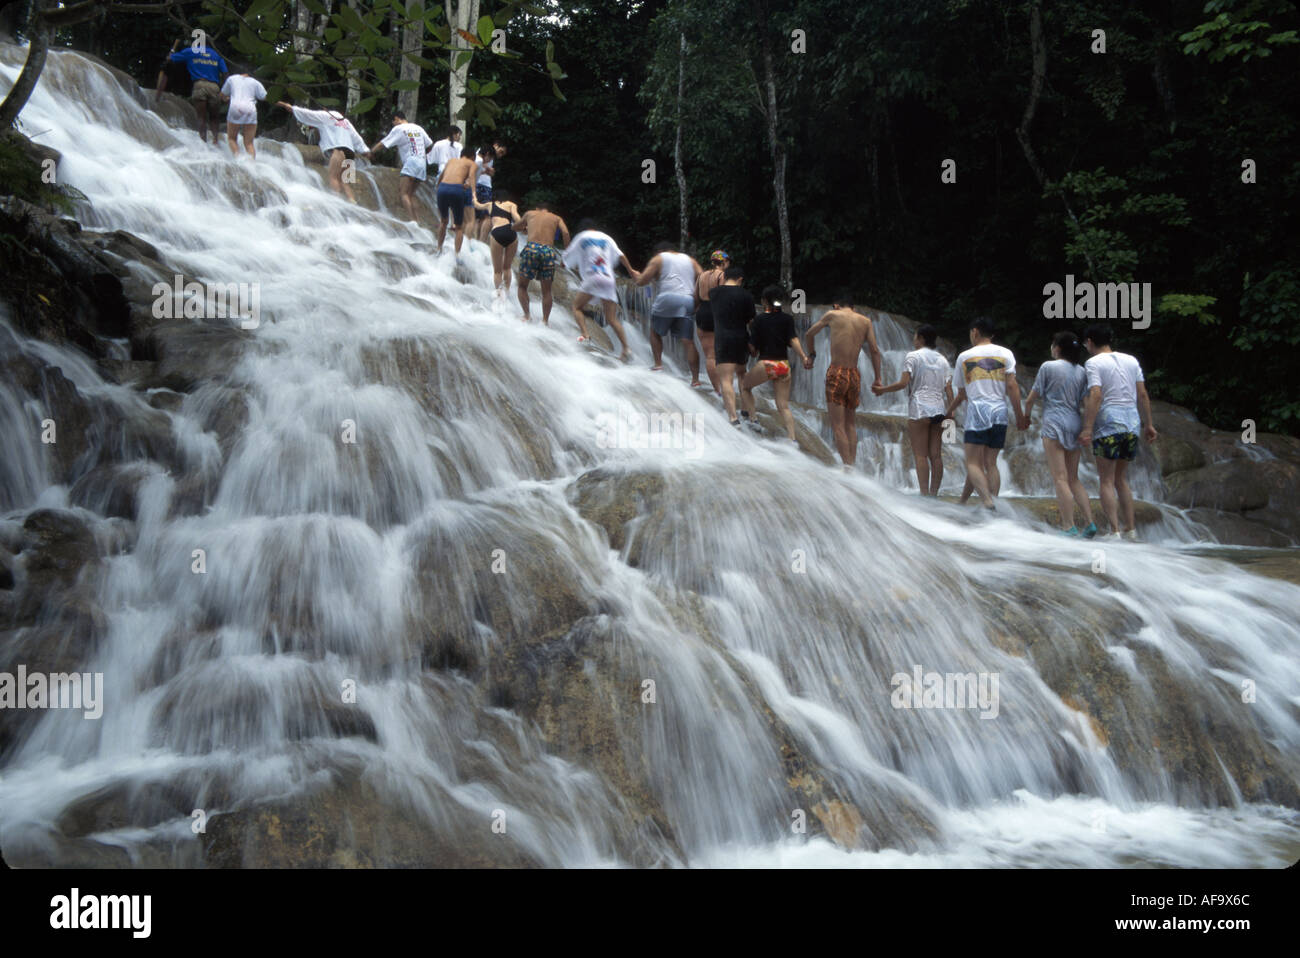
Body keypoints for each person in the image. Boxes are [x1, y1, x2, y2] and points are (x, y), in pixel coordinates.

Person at [1078, 324, 1158, 540]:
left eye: (1086, 342)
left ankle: (1114, 531)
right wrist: (1148, 424)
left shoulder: (1093, 363)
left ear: (1090, 342)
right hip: (1131, 424)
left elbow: (1096, 394)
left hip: (1108, 424)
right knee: (1120, 479)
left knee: (1105, 480)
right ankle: (1130, 529)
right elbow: (1142, 394)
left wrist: (1087, 427)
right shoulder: (1131, 360)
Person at [944, 317, 1027, 509]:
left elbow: (962, 394)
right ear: (993, 334)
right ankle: (981, 503)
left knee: (972, 463)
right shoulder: (1006, 354)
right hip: (1000, 411)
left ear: (975, 332)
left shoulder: (965, 357)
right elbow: (1012, 386)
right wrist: (1020, 415)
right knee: (990, 463)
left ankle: (987, 502)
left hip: (978, 411)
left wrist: (949, 411)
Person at [1023, 331, 1097, 537]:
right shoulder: (1082, 371)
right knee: (1074, 478)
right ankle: (1090, 523)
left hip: (1054, 423)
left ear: (1057, 348)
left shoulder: (1048, 367)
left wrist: (1026, 417)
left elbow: (1030, 399)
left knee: (1060, 478)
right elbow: (1086, 401)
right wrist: (1086, 428)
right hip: (1074, 422)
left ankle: (1068, 526)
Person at [801, 291, 884, 468]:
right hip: (854, 374)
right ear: (853, 307)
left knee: (838, 426)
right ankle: (852, 466)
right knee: (851, 424)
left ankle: (847, 470)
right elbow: (875, 351)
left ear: (837, 305)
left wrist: (812, 354)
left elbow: (809, 334)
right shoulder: (865, 321)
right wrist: (877, 378)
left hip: (837, 373)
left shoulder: (832, 314)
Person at [873, 323, 952, 495]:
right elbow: (948, 388)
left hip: (920, 409)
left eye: (915, 337)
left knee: (921, 455)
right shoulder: (942, 360)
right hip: (939, 409)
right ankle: (933, 494)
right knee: (936, 455)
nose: (914, 340)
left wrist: (882, 389)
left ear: (921, 338)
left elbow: (903, 384)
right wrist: (951, 412)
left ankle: (924, 495)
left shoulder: (913, 356)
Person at [562, 220, 638, 361]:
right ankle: (626, 348)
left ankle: (585, 335)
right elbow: (621, 255)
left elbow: (567, 255)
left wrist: (563, 263)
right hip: (609, 279)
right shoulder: (607, 238)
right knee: (612, 318)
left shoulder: (582, 236)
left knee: (576, 307)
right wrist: (631, 271)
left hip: (594, 277)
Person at [741, 287, 810, 442]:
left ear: (765, 301)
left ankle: (753, 420)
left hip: (767, 363)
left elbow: (753, 348)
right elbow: (793, 340)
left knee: (745, 386)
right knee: (783, 405)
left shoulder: (759, 320)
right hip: (783, 366)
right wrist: (804, 357)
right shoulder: (787, 319)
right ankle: (792, 439)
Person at [275, 102, 369, 203]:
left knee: (333, 177)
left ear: (325, 109)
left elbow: (307, 114)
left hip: (339, 151)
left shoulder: (326, 116)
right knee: (345, 182)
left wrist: (287, 106)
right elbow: (356, 137)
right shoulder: (344, 121)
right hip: (350, 153)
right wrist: (366, 150)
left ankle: (337, 202)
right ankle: (352, 202)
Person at [636, 241, 702, 384]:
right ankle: (696, 379)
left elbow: (642, 281)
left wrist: (637, 276)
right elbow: (702, 278)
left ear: (659, 251)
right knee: (688, 341)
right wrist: (697, 300)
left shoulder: (659, 258)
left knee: (655, 331)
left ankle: (658, 365)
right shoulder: (690, 260)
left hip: (667, 297)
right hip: (687, 299)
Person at [709, 264, 757, 426]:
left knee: (726, 379)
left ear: (725, 276)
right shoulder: (747, 296)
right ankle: (746, 411)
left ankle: (733, 418)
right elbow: (751, 322)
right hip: (741, 338)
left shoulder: (713, 293)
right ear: (740, 279)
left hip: (723, 339)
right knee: (742, 374)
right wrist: (753, 343)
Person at [370, 112, 433, 226]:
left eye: (393, 122)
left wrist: (371, 152)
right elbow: (429, 144)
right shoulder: (418, 128)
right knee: (411, 194)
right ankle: (417, 221)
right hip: (422, 163)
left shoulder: (399, 129)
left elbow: (383, 144)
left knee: (403, 193)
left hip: (411, 162)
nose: (393, 125)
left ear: (397, 119)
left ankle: (412, 221)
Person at [512, 203, 570, 325]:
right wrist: (566, 255)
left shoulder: (530, 213)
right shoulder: (556, 218)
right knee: (547, 291)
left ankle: (527, 316)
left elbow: (516, 227)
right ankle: (545, 321)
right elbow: (565, 233)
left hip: (531, 249)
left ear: (537, 208)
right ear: (548, 210)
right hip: (547, 251)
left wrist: (524, 228)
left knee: (522, 286)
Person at [167, 38, 229, 145]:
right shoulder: (216, 55)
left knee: (201, 117)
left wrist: (172, 50)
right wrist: (226, 92)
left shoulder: (191, 51)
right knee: (214, 117)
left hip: (199, 85)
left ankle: (203, 142)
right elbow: (225, 74)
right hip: (214, 87)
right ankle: (215, 140)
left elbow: (170, 59)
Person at [694, 250, 729, 394]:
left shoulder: (701, 275)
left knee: (709, 355)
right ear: (724, 262)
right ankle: (721, 389)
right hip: (715, 312)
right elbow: (723, 297)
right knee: (716, 355)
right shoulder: (722, 275)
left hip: (702, 311)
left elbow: (695, 297)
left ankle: (717, 389)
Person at [433, 150, 480, 255]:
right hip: (456, 189)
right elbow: (472, 177)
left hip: (442, 188)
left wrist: (438, 188)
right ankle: (456, 255)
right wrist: (473, 194)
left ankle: (438, 249)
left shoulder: (451, 161)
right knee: (459, 226)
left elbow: (441, 176)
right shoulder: (472, 163)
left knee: (443, 221)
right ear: (472, 157)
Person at [476, 188, 522, 294]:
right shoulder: (511, 204)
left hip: (497, 232)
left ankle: (499, 295)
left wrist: (473, 195)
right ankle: (507, 291)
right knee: (507, 268)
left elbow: (477, 205)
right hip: (511, 233)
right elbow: (516, 217)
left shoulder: (490, 204)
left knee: (497, 271)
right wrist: (523, 226)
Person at [220, 69, 266, 159]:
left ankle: (238, 159)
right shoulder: (255, 82)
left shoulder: (231, 79)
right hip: (250, 109)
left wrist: (225, 99)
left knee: (232, 138)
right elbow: (264, 97)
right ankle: (251, 163)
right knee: (249, 143)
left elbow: (222, 94)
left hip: (235, 108)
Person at [473, 142, 507, 242]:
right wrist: (488, 169)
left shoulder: (488, 155)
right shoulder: (483, 151)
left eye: (502, 154)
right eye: (501, 152)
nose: (500, 155)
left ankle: (476, 241)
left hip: (479, 183)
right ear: (496, 145)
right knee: (487, 215)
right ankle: (481, 241)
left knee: (477, 216)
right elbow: (477, 161)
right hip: (483, 185)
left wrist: (488, 171)